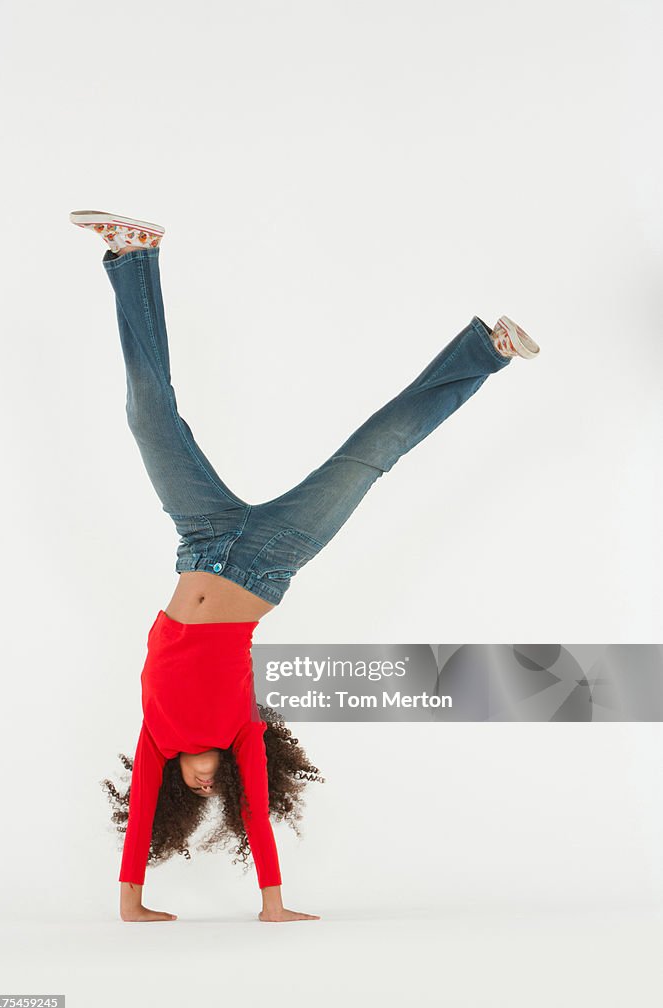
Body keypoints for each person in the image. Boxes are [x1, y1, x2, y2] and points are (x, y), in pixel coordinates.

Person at [71, 209, 540, 925]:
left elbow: (136, 834)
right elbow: (257, 819)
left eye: (188, 795)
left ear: (169, 788)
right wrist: (273, 906)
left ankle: (134, 256)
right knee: (370, 454)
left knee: (147, 418)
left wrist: (131, 905)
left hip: (198, 539)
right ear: (223, 778)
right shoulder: (239, 736)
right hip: (267, 562)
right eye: (211, 793)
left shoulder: (157, 737)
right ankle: (489, 350)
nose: (202, 789)